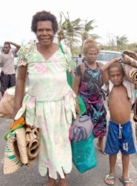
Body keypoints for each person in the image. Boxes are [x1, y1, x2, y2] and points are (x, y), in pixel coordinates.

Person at [12, 10, 76, 186]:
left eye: (48, 29)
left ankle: (62, 178)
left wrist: (75, 100)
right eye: (40, 30)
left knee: (61, 143)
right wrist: (17, 107)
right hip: (37, 107)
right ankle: (50, 179)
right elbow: (20, 78)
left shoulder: (64, 51)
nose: (44, 33)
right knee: (44, 145)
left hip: (61, 106)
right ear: (35, 31)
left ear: (54, 31)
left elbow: (73, 75)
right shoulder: (27, 50)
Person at [102, 55, 137, 186]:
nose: (115, 77)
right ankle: (111, 173)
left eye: (118, 74)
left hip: (127, 126)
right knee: (112, 152)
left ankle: (125, 175)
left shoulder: (129, 85)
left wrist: (135, 65)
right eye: (113, 75)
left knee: (126, 152)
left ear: (124, 75)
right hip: (113, 126)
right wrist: (116, 60)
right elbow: (102, 70)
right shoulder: (109, 85)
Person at [72, 38, 107, 155]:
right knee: (86, 126)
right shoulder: (81, 68)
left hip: (98, 101)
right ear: (85, 54)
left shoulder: (101, 66)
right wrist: (76, 103)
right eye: (90, 54)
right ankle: (87, 148)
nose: (92, 56)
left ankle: (100, 143)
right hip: (84, 102)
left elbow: (105, 82)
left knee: (102, 123)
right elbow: (75, 87)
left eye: (95, 54)